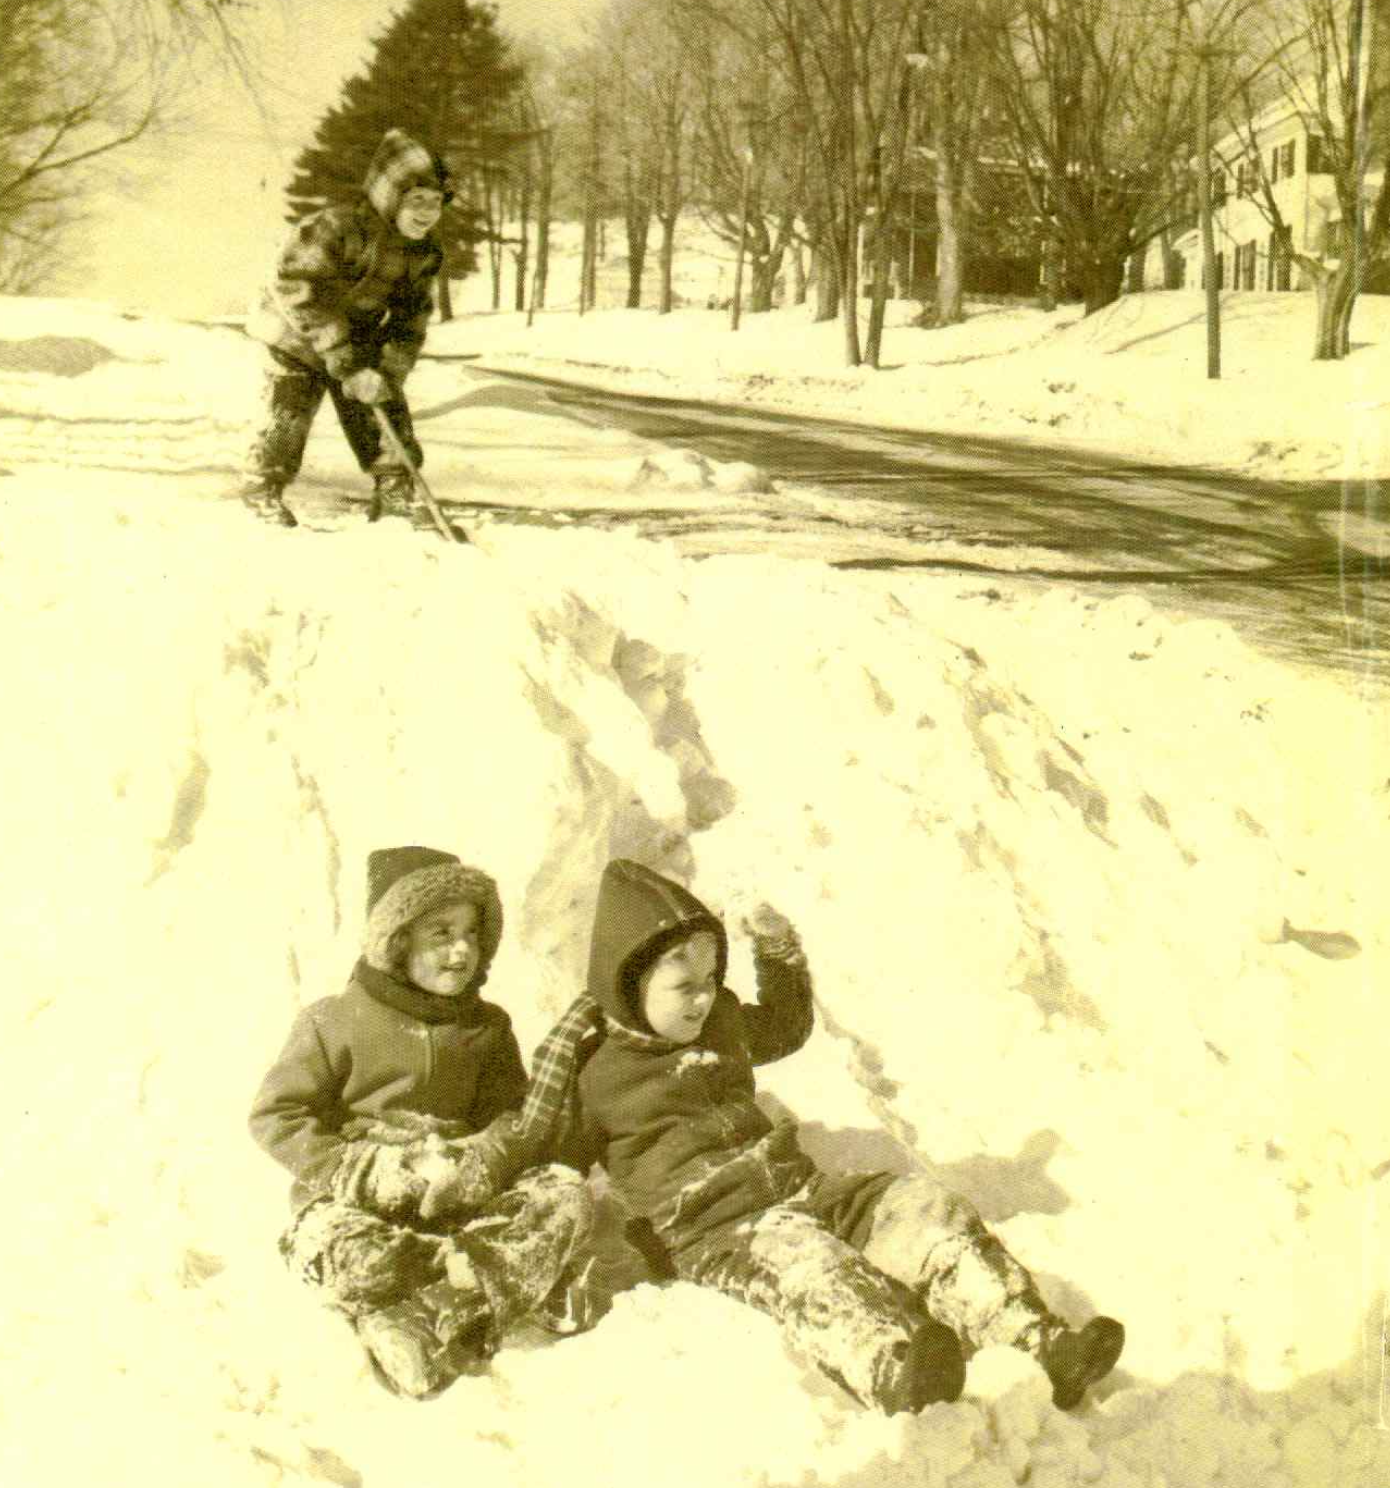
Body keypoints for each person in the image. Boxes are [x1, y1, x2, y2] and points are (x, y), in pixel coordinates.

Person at [517, 857, 1125, 1415]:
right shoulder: (596, 1075)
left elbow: (783, 1028)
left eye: (710, 978)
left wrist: (779, 956)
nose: (704, 997)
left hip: (802, 1189)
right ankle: (894, 1371)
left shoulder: (721, 1021)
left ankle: (1041, 1341)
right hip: (717, 1229)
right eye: (684, 988)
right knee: (816, 1268)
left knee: (921, 1210)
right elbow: (547, 1163)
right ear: (629, 985)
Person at [249, 846, 596, 1399]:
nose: (462, 949)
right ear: (397, 939)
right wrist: (360, 1170)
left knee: (564, 1195)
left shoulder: (486, 1027)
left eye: (472, 934)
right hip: (361, 1199)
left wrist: (483, 1159)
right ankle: (484, 1288)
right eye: (441, 933)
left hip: (457, 1196)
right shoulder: (333, 1021)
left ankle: (438, 1305)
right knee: (333, 1246)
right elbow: (278, 1115)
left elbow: (510, 1114)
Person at [236, 128, 450, 529]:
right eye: (417, 200)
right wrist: (346, 363)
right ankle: (261, 488)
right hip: (292, 332)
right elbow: (299, 289)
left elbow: (411, 319)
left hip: (354, 332)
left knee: (382, 401)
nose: (428, 212)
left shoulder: (424, 252)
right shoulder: (333, 227)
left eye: (436, 202)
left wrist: (386, 371)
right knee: (291, 407)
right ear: (390, 196)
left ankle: (396, 491)